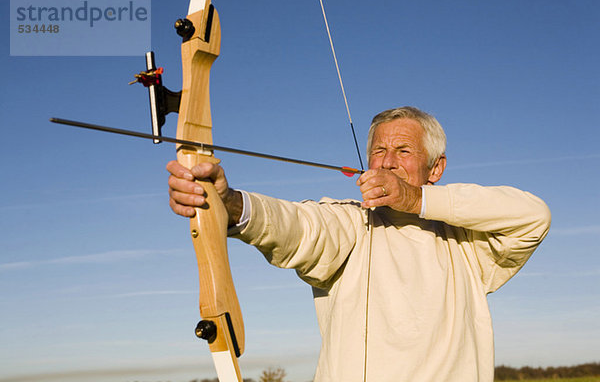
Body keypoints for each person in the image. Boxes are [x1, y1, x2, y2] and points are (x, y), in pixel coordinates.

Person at [167, 106, 551, 382]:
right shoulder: (349, 221)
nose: (387, 163)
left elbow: (534, 216)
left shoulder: (467, 243)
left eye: (404, 151)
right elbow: (299, 227)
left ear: (436, 168)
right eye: (379, 151)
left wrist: (417, 201)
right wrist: (231, 204)